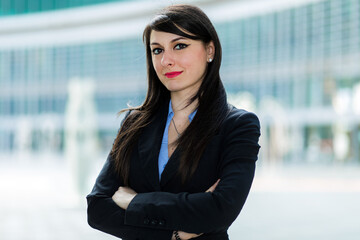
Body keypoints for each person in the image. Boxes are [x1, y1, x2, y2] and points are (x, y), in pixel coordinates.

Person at [87, 4, 260, 240]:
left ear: (210, 50)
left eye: (180, 46)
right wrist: (175, 234)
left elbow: (220, 211)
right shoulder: (134, 124)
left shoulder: (238, 126)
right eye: (157, 50)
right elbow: (97, 209)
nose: (166, 60)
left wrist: (134, 201)